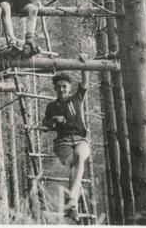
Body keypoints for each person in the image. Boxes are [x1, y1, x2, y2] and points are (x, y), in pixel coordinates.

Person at [42, 54, 90, 222]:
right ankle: (72, 206)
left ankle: (71, 203)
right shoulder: (51, 106)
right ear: (55, 88)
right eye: (58, 87)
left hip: (80, 140)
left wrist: (84, 63)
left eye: (64, 87)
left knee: (79, 158)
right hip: (62, 143)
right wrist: (54, 119)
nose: (61, 90)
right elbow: (46, 127)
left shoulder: (77, 98)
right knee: (76, 166)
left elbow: (85, 81)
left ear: (69, 87)